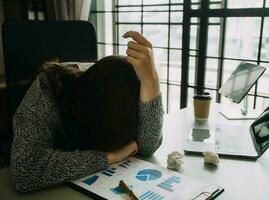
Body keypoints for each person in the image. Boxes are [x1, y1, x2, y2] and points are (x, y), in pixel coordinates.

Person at [10, 31, 163, 193]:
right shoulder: (47, 87)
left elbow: (147, 147)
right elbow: (24, 171)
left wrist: (151, 81)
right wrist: (108, 157)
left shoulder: (132, 84)